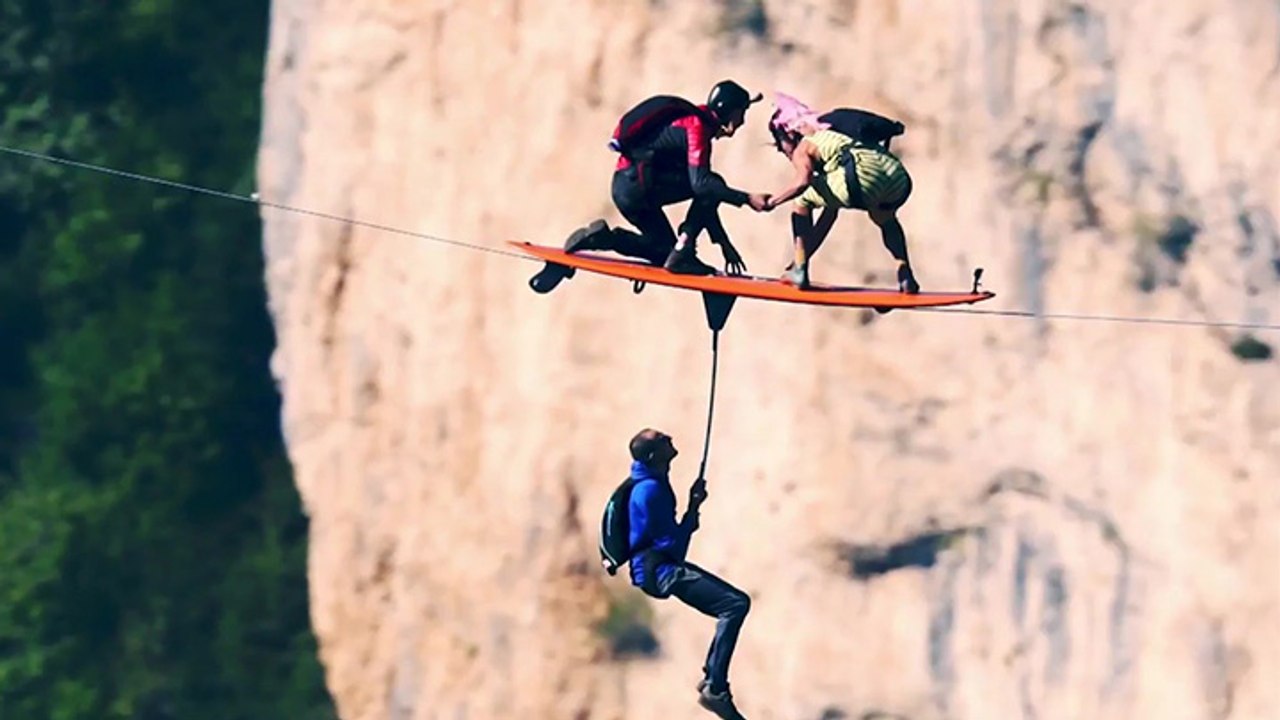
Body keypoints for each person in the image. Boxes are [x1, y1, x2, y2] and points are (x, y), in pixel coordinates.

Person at [529, 81, 772, 293]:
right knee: (711, 184)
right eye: (742, 112)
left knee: (663, 252)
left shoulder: (692, 121)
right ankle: (684, 251)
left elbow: (705, 192)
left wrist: (723, 243)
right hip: (638, 189)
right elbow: (702, 186)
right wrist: (747, 198)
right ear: (728, 112)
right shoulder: (696, 128)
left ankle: (604, 238)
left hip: (626, 187)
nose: (742, 121)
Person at [623, 427, 751, 720]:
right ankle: (714, 688)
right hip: (660, 571)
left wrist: (693, 506)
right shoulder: (651, 491)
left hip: (657, 568)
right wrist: (693, 509)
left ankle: (713, 681)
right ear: (655, 455)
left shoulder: (651, 480)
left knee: (734, 604)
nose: (669, 437)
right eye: (662, 440)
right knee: (734, 604)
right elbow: (674, 549)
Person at [762, 91, 919, 293]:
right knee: (884, 217)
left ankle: (800, 271)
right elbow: (829, 217)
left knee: (801, 198)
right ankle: (905, 274)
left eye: (779, 145)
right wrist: (799, 259)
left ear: (790, 134)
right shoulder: (836, 136)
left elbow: (803, 182)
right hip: (896, 177)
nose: (782, 151)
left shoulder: (805, 146)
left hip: (861, 173)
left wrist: (772, 202)